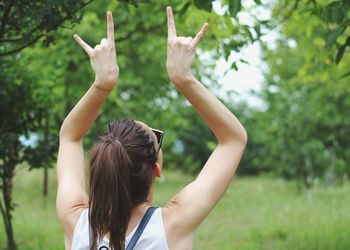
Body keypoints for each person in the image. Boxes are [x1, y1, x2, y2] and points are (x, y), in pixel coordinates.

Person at [56, 6, 247, 250]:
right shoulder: (171, 226)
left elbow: (70, 136)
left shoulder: (77, 224)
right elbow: (233, 139)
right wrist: (183, 78)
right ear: (156, 169)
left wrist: (102, 85)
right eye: (157, 137)